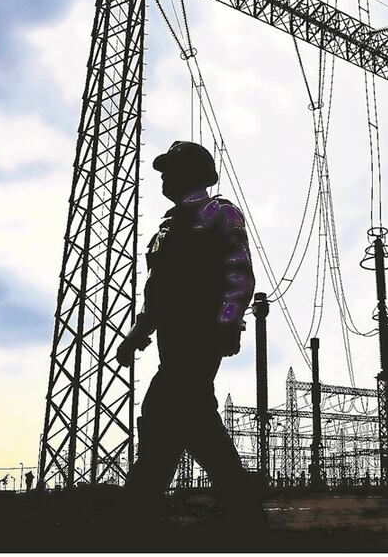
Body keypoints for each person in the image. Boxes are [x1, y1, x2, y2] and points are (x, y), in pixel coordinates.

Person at [116, 140, 261, 527]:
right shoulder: (168, 226)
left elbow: (238, 270)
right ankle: (243, 509)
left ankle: (137, 510)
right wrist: (138, 334)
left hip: (200, 336)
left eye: (169, 171)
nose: (163, 178)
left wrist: (228, 322)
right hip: (173, 339)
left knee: (163, 410)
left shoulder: (219, 214)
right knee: (192, 420)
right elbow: (158, 292)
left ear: (191, 174)